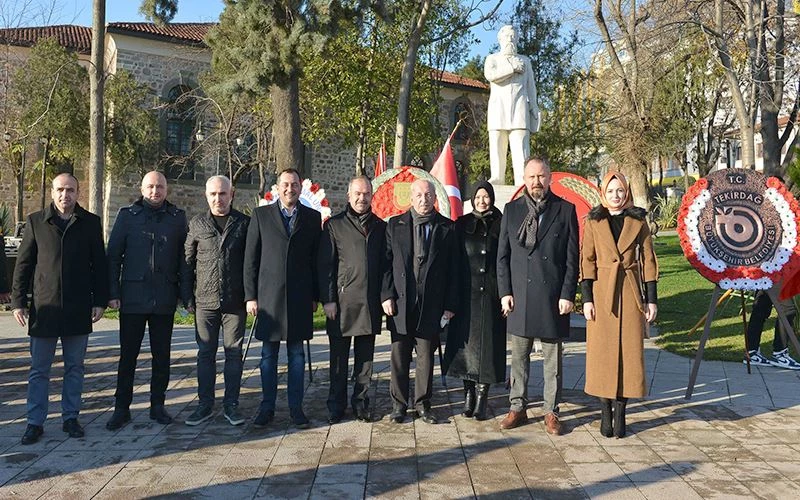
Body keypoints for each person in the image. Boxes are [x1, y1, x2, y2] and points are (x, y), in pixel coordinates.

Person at [11, 173, 108, 444]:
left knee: (75, 367)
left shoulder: (90, 223)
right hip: (45, 308)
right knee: (39, 369)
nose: (65, 195)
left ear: (78, 193)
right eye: (60, 190)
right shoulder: (36, 222)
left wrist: (100, 300)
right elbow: (23, 265)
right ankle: (35, 422)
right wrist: (18, 302)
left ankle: (70, 417)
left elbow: (99, 265)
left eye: (71, 190)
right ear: (53, 192)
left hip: (78, 307)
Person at [497, 157, 578, 435]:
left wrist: (568, 293)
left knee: (552, 362)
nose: (536, 182)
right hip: (520, 296)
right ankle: (517, 407)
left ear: (550, 178)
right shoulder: (512, 210)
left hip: (553, 297)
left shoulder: (565, 210)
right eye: (531, 177)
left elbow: (572, 259)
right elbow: (502, 257)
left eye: (541, 176)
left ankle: (551, 411)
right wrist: (505, 292)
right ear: (524, 179)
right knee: (519, 358)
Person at [106, 171, 192, 430]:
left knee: (161, 356)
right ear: (142, 189)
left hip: (164, 296)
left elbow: (184, 261)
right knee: (128, 356)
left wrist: (184, 295)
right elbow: (113, 257)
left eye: (160, 187)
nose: (155, 191)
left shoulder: (177, 218)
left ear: (167, 189)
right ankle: (122, 408)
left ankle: (158, 405)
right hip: (132, 297)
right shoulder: (127, 216)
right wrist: (113, 293)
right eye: (151, 187)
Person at [581, 171, 658, 438]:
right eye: (611, 191)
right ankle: (605, 410)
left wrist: (651, 299)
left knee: (629, 355)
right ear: (603, 193)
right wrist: (587, 299)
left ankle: (622, 411)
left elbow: (649, 260)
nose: (616, 196)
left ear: (627, 193)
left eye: (620, 191)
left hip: (630, 292)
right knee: (602, 355)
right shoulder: (594, 220)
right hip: (602, 294)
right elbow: (587, 261)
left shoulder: (638, 220)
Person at [245, 168, 321, 429]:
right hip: (269, 298)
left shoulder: (312, 217)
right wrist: (250, 296)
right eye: (285, 184)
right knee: (268, 356)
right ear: (277, 188)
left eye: (295, 184)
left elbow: (316, 259)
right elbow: (251, 258)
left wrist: (316, 295)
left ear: (301, 187)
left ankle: (296, 408)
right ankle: (267, 407)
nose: (290, 189)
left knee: (297, 355)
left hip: (300, 297)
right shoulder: (261, 215)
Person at [381, 179, 458, 424]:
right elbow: (385, 265)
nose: (423, 200)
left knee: (426, 356)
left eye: (428, 195)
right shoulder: (395, 225)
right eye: (419, 195)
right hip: (401, 303)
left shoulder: (447, 227)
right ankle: (399, 405)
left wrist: (450, 305)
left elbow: (454, 270)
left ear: (434, 197)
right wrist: (386, 295)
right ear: (411, 198)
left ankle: (423, 404)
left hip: (431, 304)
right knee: (399, 356)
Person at [318, 176, 386, 424]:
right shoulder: (334, 225)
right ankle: (336, 405)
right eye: (357, 193)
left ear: (372, 196)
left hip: (369, 302)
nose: (362, 198)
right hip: (342, 302)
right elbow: (326, 266)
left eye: (366, 193)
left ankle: (361, 403)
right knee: (338, 360)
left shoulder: (381, 227)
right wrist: (328, 299)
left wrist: (385, 297)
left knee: (365, 361)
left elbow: (386, 266)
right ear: (349, 196)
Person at [184, 175, 251, 427]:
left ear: (231, 194)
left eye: (222, 194)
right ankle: (205, 404)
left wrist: (250, 296)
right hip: (205, 301)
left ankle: (231, 404)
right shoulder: (197, 224)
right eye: (213, 194)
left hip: (235, 301)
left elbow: (251, 264)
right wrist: (187, 296)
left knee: (234, 354)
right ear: (206, 195)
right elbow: (187, 262)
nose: (217, 199)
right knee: (205, 354)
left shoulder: (243, 223)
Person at [444, 182, 506, 421]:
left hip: (490, 295)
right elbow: (454, 262)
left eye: (486, 196)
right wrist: (451, 300)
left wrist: (505, 293)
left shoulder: (501, 224)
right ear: (472, 199)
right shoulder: (461, 225)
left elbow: (505, 260)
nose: (482, 201)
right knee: (466, 350)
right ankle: (468, 393)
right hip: (465, 297)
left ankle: (482, 396)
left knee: (487, 350)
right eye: (478, 197)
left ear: (492, 198)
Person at [484, 25, 540, 186]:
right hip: (498, 108)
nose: (510, 39)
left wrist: (534, 106)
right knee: (497, 144)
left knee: (521, 146)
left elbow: (531, 87)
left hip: (519, 108)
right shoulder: (492, 59)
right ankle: (497, 176)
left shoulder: (525, 61)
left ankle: (522, 180)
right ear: (500, 39)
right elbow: (491, 76)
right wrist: (512, 68)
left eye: (513, 36)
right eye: (507, 36)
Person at [743, 290, 800, 370]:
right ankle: (780, 353)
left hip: (766, 282)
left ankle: (751, 351)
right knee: (788, 310)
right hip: (776, 282)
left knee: (761, 307)